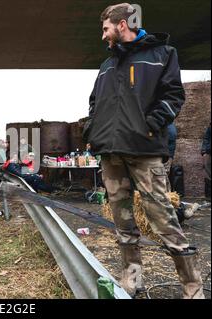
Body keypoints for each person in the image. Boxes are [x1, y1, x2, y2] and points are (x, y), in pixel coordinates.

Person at [82, 3, 204, 298]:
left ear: (122, 25)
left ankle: (192, 287)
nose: (103, 36)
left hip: (144, 150)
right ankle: (132, 280)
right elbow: (94, 102)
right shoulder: (107, 65)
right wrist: (92, 131)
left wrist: (150, 125)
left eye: (106, 28)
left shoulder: (162, 55)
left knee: (163, 219)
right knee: (123, 221)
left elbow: (174, 95)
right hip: (111, 154)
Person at [201, 123, 211, 199]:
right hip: (209, 153)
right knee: (208, 175)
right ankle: (208, 198)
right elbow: (206, 138)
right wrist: (204, 151)